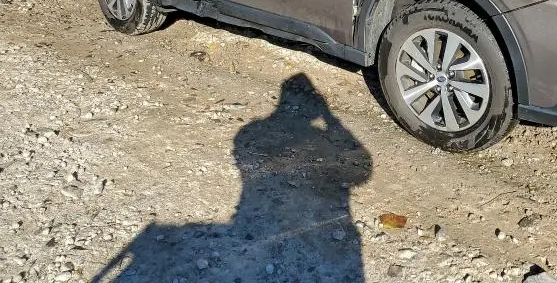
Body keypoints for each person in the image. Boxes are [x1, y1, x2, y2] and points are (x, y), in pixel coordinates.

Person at [91, 73, 372, 282]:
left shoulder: (248, 133)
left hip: (256, 220)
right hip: (304, 225)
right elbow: (363, 171)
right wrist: (332, 119)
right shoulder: (270, 134)